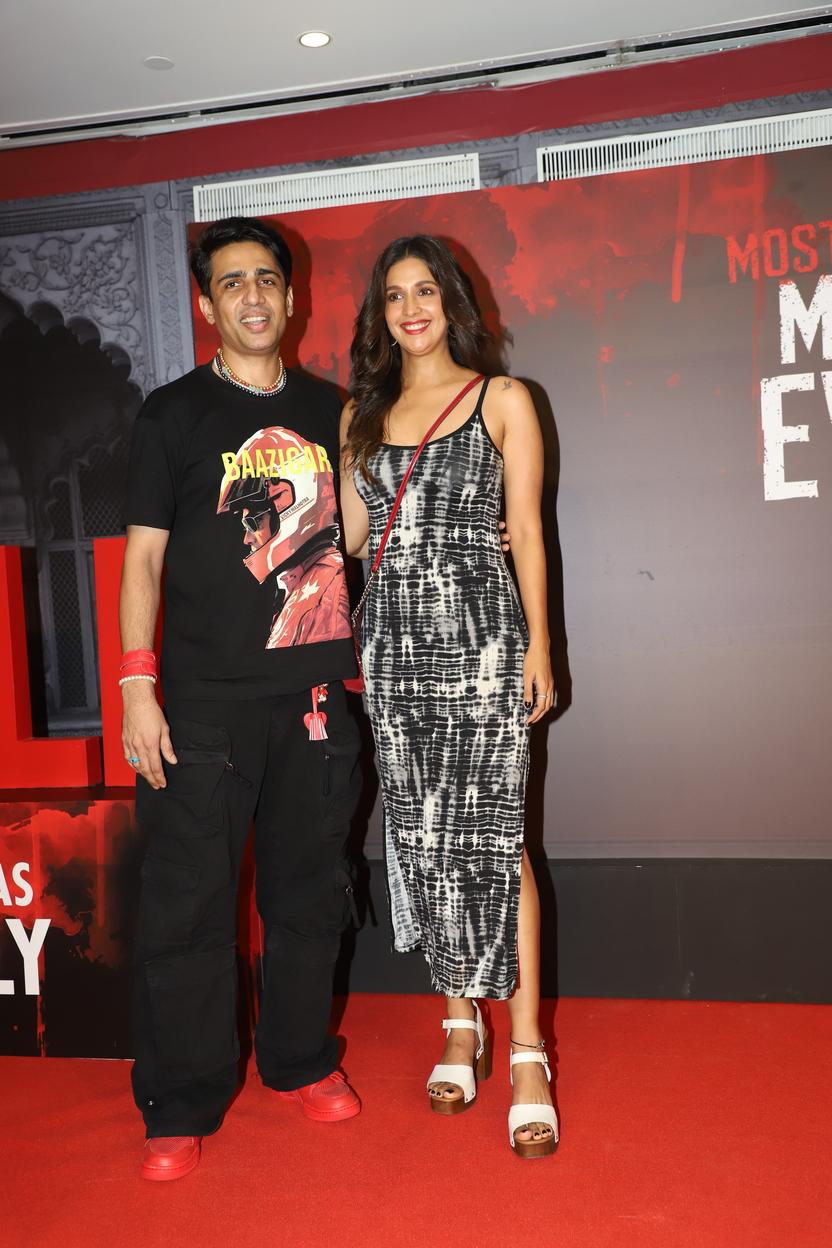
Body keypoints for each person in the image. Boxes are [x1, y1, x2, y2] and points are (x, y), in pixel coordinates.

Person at [121, 216, 362, 1182]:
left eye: (267, 278)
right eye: (231, 283)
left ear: (291, 297)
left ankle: (299, 1060)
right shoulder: (171, 415)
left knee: (310, 894)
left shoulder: (334, 410)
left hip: (314, 701)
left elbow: (360, 539)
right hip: (202, 710)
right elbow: (143, 561)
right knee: (187, 905)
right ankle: (181, 1098)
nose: (252, 296)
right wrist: (137, 687)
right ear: (205, 303)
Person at [339, 235, 558, 1158]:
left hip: (483, 644)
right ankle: (460, 1025)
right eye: (394, 296)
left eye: (424, 291)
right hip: (394, 653)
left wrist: (541, 644)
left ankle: (529, 1051)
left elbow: (528, 531)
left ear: (452, 303)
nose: (410, 309)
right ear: (380, 317)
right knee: (425, 840)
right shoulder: (361, 413)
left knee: (495, 841)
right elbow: (353, 540)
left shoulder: (502, 400)